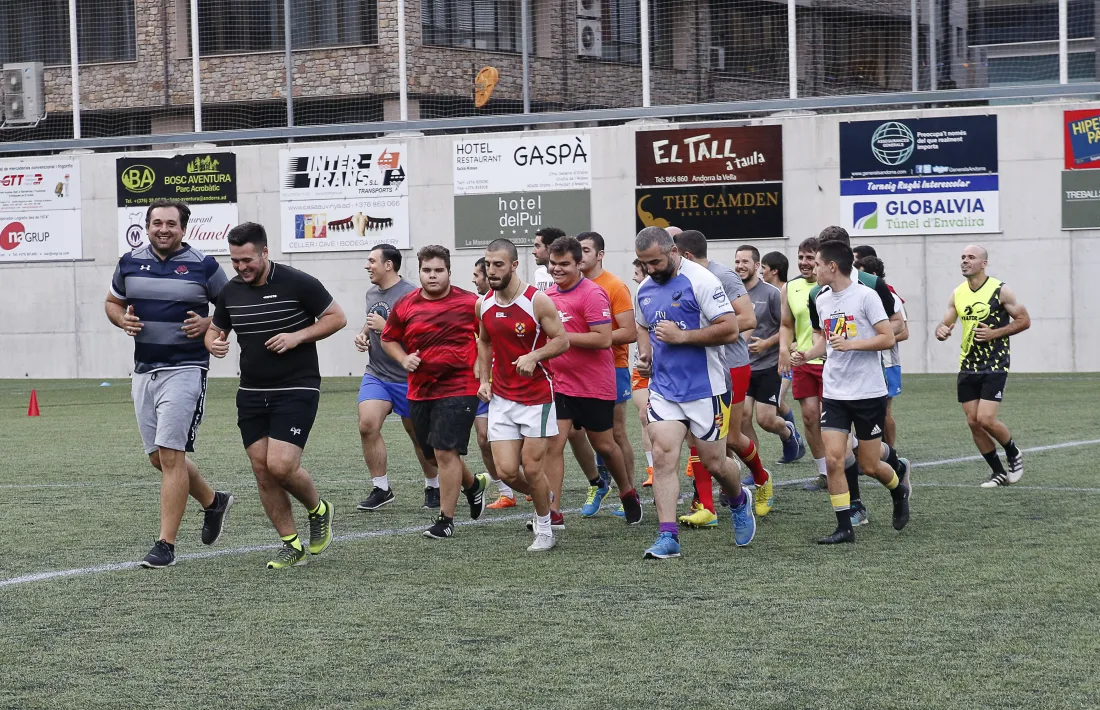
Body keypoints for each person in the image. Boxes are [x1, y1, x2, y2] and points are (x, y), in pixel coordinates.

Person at [206, 222, 345, 569]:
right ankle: (291, 543)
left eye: (247, 260)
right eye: (235, 261)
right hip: (251, 391)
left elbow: (337, 318)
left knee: (281, 465)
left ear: (264, 252)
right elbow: (215, 328)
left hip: (296, 387)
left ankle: (318, 509)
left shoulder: (297, 281)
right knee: (262, 470)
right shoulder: (231, 291)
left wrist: (297, 336)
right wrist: (214, 342)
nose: (241, 267)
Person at [106, 199, 234, 569]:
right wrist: (121, 321)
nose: (164, 229)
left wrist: (209, 325)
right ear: (146, 226)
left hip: (186, 368)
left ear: (184, 229)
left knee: (171, 455)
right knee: (156, 459)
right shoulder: (129, 262)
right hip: (144, 370)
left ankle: (166, 545)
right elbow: (112, 303)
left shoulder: (204, 265)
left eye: (171, 224)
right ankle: (214, 502)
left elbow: (230, 307)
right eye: (157, 223)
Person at [634, 227, 756, 560]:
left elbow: (731, 329)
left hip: (707, 388)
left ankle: (738, 500)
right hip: (664, 389)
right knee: (662, 457)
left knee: (715, 463)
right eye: (645, 264)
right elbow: (642, 325)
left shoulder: (701, 281)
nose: (651, 270)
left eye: (656, 262)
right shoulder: (645, 289)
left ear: (673, 252)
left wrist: (682, 337)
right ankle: (667, 536)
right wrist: (645, 356)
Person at [791, 240, 911, 544]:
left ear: (832, 267)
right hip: (834, 392)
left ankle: (898, 490)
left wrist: (853, 344)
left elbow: (887, 338)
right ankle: (844, 527)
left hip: (868, 392)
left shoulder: (867, 297)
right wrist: (806, 354)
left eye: (817, 263)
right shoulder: (820, 298)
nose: (813, 269)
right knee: (834, 460)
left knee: (870, 465)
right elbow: (825, 342)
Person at [380, 245, 491, 538]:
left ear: (449, 272)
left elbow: (489, 339)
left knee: (445, 451)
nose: (432, 276)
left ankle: (445, 520)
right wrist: (403, 358)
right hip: (420, 389)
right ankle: (473, 485)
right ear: (419, 272)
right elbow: (389, 338)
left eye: (438, 270)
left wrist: (483, 370)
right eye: (427, 271)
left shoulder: (472, 303)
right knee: (432, 456)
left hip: (460, 387)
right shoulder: (406, 304)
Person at [673, 230, 777, 527]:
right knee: (696, 434)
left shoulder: (723, 276)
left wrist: (706, 327)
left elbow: (747, 319)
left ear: (685, 255)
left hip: (731, 364)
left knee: (730, 436)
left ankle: (761, 477)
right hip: (698, 366)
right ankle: (706, 507)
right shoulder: (679, 279)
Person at [477, 238, 571, 550]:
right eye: (488, 264)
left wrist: (534, 356)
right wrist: (484, 378)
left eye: (498, 265)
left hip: (537, 397)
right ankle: (544, 492)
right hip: (502, 397)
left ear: (514, 266)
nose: (491, 270)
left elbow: (562, 340)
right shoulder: (485, 303)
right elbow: (484, 341)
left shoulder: (537, 300)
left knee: (531, 468)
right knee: (505, 470)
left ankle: (545, 529)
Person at [544, 236, 643, 523]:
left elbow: (602, 340)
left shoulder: (593, 293)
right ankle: (553, 512)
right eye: (553, 263)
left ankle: (627, 492)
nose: (557, 269)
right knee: (555, 445)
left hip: (593, 384)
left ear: (578, 264)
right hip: (560, 384)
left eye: (564, 264)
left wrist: (562, 338)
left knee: (605, 445)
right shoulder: (548, 297)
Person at [936, 245, 1030, 487]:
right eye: (963, 257)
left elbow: (1024, 321)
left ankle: (1012, 452)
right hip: (968, 364)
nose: (965, 261)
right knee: (973, 422)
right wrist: (942, 330)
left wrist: (994, 334)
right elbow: (945, 323)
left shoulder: (1000, 290)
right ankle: (998, 473)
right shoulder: (957, 293)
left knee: (986, 419)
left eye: (971, 257)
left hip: (995, 363)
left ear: (983, 263)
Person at [354, 244, 440, 512]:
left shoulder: (412, 294)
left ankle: (434, 486)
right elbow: (373, 320)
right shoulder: (371, 292)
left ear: (388, 265)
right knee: (367, 425)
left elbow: (422, 337)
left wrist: (386, 328)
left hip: (408, 378)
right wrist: (363, 334)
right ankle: (381, 488)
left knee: (419, 438)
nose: (368, 266)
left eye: (372, 261)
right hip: (377, 374)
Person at [578, 231, 638, 497]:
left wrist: (593, 339)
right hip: (577, 370)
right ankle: (598, 484)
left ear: (600, 255)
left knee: (615, 432)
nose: (580, 255)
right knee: (575, 432)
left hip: (613, 367)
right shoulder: (570, 286)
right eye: (577, 250)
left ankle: (629, 492)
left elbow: (629, 332)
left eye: (586, 250)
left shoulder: (614, 286)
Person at [734, 245, 802, 465]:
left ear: (756, 266)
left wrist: (766, 344)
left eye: (745, 262)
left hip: (768, 365)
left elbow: (786, 328)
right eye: (737, 261)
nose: (740, 266)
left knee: (765, 420)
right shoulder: (732, 293)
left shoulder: (772, 293)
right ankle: (757, 469)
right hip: (742, 366)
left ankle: (788, 432)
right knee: (743, 418)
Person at [780, 237, 829, 489]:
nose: (804, 263)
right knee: (810, 418)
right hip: (803, 362)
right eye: (800, 257)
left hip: (830, 363)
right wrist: (783, 350)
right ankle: (824, 473)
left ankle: (848, 462)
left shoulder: (832, 287)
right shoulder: (790, 287)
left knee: (830, 420)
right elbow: (786, 324)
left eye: (810, 258)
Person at [470, 257, 515, 509]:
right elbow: (479, 341)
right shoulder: (478, 306)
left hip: (512, 385)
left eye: (478, 275)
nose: (475, 280)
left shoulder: (520, 304)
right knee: (483, 438)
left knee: (519, 441)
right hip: (485, 385)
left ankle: (530, 482)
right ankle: (505, 491)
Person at [856, 255, 908, 446]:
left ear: (873, 274)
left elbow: (903, 331)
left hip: (887, 363)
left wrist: (878, 339)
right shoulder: (855, 296)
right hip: (863, 362)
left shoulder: (890, 296)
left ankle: (890, 452)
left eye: (860, 272)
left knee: (884, 412)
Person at [761, 250, 799, 437]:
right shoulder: (766, 292)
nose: (761, 271)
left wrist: (795, 343)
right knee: (777, 402)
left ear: (774, 271)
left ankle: (794, 438)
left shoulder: (788, 291)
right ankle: (794, 438)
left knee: (778, 401)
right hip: (774, 358)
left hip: (789, 357)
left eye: (764, 267)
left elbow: (794, 325)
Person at [531, 226, 563, 292]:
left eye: (537, 246)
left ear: (550, 248)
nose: (533, 252)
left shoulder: (568, 274)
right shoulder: (538, 273)